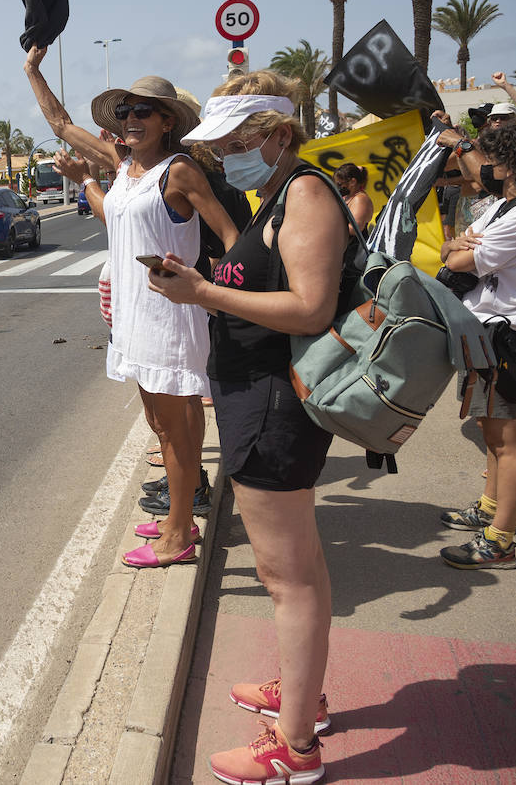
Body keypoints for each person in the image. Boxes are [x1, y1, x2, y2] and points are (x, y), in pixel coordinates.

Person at [146, 70, 349, 783]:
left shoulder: (308, 192)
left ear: (277, 136)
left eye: (233, 144)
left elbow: (311, 308)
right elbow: (261, 285)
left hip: (273, 401)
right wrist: (202, 281)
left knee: (286, 575)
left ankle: (295, 749)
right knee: (299, 569)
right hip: (256, 396)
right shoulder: (277, 196)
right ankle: (302, 697)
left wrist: (201, 290)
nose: (222, 157)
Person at [24, 45, 239, 571]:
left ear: (168, 119)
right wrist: (32, 71)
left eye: (142, 110)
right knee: (166, 425)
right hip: (135, 316)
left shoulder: (179, 170)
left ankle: (177, 535)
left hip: (170, 315)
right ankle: (179, 518)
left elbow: (232, 237)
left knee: (176, 428)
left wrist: (220, 294)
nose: (131, 119)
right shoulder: (125, 168)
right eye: (125, 112)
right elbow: (61, 125)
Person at [435, 121, 516, 570]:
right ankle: (489, 509)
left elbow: (463, 259)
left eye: (489, 158)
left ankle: (501, 542)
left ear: (510, 163)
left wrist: (457, 248)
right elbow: (451, 248)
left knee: (508, 443)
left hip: (505, 336)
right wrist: (455, 245)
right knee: (492, 430)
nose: (481, 167)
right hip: (484, 331)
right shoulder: (504, 207)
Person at [331, 163, 374, 237]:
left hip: (355, 246)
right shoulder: (347, 197)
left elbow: (355, 229)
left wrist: (329, 226)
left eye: (340, 184)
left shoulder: (360, 199)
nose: (338, 187)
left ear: (353, 182)